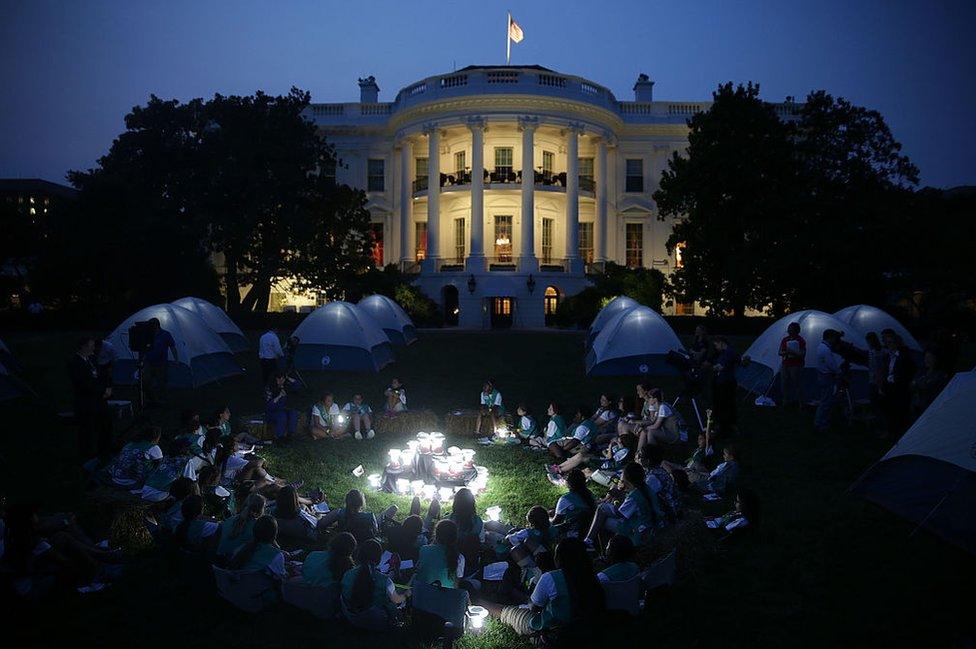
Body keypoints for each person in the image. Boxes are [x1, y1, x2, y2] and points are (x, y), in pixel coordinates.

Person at [492, 537, 605, 637]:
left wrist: (517, 594)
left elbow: (534, 608)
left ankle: (479, 602)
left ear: (559, 559)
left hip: (554, 633)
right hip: (585, 630)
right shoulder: (594, 576)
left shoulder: (551, 578)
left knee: (505, 611)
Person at [584, 463, 661, 548]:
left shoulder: (633, 497)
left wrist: (618, 496)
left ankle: (599, 546)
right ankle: (590, 541)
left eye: (622, 479)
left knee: (602, 520)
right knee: (602, 510)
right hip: (652, 522)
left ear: (627, 482)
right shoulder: (646, 486)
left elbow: (621, 514)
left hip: (638, 530)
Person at [341, 539, 405, 628]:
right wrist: (397, 570)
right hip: (375, 623)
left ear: (359, 555)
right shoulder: (385, 581)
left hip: (351, 618)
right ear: (379, 558)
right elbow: (395, 602)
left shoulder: (348, 574)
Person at [67, 337, 112, 464]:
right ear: (83, 347)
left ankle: (103, 451)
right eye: (91, 346)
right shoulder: (75, 363)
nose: (94, 348)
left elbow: (101, 376)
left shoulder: (91, 360)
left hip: (98, 401)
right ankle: (86, 456)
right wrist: (101, 391)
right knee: (87, 430)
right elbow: (84, 383)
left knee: (105, 425)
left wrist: (107, 387)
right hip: (86, 403)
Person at [317, 489, 395, 543]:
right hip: (363, 544)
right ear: (361, 503)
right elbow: (375, 532)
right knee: (393, 508)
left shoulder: (339, 513)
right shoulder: (370, 517)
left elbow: (321, 524)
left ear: (347, 501)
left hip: (347, 543)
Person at [880, 330, 917, 437]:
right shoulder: (888, 356)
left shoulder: (904, 356)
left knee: (900, 410)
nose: (889, 345)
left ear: (897, 343)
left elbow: (912, 369)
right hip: (890, 387)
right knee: (890, 410)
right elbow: (886, 371)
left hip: (900, 388)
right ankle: (892, 431)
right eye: (887, 343)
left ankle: (901, 432)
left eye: (891, 342)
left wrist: (906, 381)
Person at [228, 515, 286, 582]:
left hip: (238, 590)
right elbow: (280, 580)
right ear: (274, 534)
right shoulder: (276, 555)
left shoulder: (240, 549)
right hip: (260, 591)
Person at [414, 519, 465, 588]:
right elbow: (456, 585)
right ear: (455, 536)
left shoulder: (423, 550)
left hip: (421, 593)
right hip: (444, 596)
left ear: (436, 534)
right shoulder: (459, 557)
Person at [217, 493, 267, 560]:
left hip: (216, 561)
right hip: (231, 565)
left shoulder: (229, 520)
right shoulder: (257, 527)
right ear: (261, 510)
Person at [550, 469, 597, 539]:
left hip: (574, 532)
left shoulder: (565, 499)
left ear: (568, 483)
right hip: (591, 530)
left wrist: (548, 519)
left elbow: (556, 521)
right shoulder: (589, 494)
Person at [640, 444, 681, 522]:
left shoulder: (652, 478)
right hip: (673, 508)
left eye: (641, 457)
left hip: (668, 515)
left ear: (647, 461)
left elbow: (642, 498)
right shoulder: (659, 471)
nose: (639, 459)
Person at [814, 330, 844, 432]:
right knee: (826, 401)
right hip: (826, 377)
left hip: (822, 375)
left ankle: (819, 422)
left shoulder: (821, 347)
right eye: (834, 338)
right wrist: (839, 372)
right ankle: (822, 423)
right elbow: (831, 365)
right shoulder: (825, 350)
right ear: (830, 337)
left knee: (824, 400)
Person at [711, 337, 739, 436]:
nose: (716, 348)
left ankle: (724, 427)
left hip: (725, 383)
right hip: (724, 381)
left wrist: (711, 368)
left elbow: (720, 366)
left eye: (716, 345)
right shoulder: (726, 353)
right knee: (727, 404)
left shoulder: (728, 353)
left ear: (721, 343)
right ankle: (728, 425)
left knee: (724, 404)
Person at [144, 318, 176, 405]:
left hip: (161, 363)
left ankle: (162, 400)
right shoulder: (148, 334)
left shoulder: (165, 334)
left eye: (150, 325)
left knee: (161, 382)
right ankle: (151, 399)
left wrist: (176, 359)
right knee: (146, 380)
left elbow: (172, 346)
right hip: (149, 362)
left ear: (156, 325)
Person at [910, 350, 948, 419]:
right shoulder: (921, 371)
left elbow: (929, 387)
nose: (927, 360)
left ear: (936, 358)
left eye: (930, 357)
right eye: (925, 357)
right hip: (917, 405)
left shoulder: (940, 374)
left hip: (930, 407)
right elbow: (912, 385)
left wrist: (920, 383)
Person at [778, 322, 806, 408]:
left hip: (796, 365)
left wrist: (792, 352)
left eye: (791, 328)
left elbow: (802, 354)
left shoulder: (800, 340)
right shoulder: (785, 339)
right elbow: (779, 352)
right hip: (785, 364)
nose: (789, 330)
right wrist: (786, 352)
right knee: (784, 383)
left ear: (796, 330)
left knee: (797, 384)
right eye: (789, 328)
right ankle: (785, 401)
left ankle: (801, 404)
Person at [265, 372, 298, 441]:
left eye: (282, 379)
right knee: (282, 416)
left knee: (293, 413)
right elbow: (269, 406)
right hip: (272, 411)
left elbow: (297, 385)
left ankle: (290, 435)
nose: (281, 381)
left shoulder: (286, 386)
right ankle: (279, 437)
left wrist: (288, 378)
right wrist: (279, 396)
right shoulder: (269, 388)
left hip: (283, 408)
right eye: (279, 379)